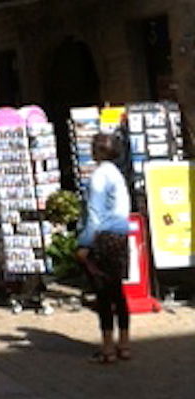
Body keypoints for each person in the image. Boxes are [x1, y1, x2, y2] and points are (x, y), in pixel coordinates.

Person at [76, 132, 132, 363]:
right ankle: (125, 343)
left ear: (98, 151)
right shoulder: (118, 175)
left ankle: (107, 346)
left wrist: (85, 244)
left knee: (102, 292)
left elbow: (95, 214)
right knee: (117, 291)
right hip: (120, 235)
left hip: (103, 237)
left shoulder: (99, 176)